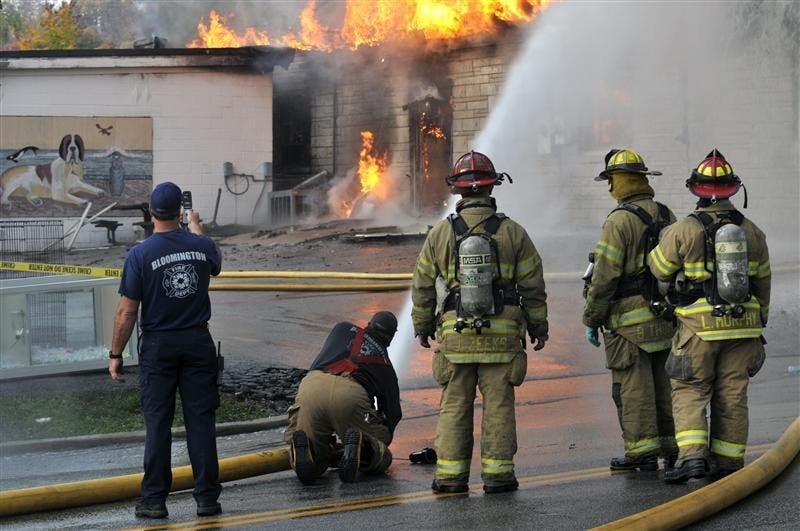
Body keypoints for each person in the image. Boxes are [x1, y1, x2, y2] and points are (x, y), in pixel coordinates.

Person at [411, 151, 548, 494]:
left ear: (458, 190)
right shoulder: (514, 233)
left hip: (456, 339)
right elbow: (533, 286)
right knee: (499, 406)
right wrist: (538, 327)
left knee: (455, 405)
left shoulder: (440, 234)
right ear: (492, 187)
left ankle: (450, 477)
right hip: (502, 340)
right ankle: (499, 475)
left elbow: (423, 284)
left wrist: (422, 325)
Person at [649, 149, 770, 483]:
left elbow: (658, 268)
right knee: (733, 394)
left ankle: (692, 462)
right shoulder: (753, 232)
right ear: (733, 189)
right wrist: (760, 323)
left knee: (690, 390)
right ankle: (729, 463)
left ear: (696, 190)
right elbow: (763, 282)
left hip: (698, 330)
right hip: (744, 328)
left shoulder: (684, 229)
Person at [108, 181, 223, 519]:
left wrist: (116, 354)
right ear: (179, 211)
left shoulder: (140, 254)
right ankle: (206, 499)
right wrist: (196, 226)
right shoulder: (201, 246)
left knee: (158, 424)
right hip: (197, 342)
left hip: (159, 346)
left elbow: (127, 310)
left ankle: (154, 500)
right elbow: (215, 259)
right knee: (200, 422)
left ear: (150, 210)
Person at [583, 149, 678, 472]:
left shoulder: (619, 220)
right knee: (667, 388)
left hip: (627, 324)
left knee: (634, 390)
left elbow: (605, 275)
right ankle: (673, 447)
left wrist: (592, 318)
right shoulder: (666, 215)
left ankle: (642, 453)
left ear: (617, 182)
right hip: (666, 319)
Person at [284, 311, 402, 485]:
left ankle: (309, 451)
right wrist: (380, 436)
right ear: (391, 338)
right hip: (350, 395)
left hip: (313, 385)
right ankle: (361, 448)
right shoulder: (386, 366)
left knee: (314, 452)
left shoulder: (342, 328)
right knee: (382, 454)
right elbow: (393, 415)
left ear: (369, 324)